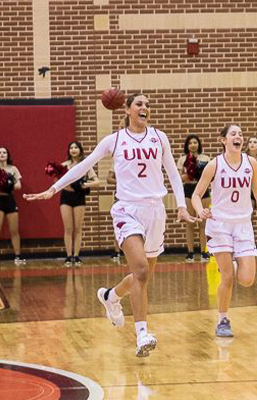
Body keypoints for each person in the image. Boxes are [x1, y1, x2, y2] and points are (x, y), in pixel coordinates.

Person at [25, 93, 197, 357]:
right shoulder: (114, 140)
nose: (145, 108)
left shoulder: (159, 137)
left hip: (155, 210)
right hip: (127, 210)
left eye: (147, 105)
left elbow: (172, 172)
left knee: (144, 276)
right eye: (139, 104)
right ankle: (142, 335)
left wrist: (182, 206)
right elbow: (84, 165)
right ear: (126, 110)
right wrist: (53, 189)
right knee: (140, 270)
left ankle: (111, 297)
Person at [191, 125, 257, 337]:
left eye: (240, 134)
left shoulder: (251, 163)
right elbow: (195, 195)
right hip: (219, 225)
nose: (238, 137)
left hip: (243, 225)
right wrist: (201, 210)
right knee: (227, 277)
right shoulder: (214, 164)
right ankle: (222, 319)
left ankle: (234, 261)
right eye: (233, 134)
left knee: (247, 280)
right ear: (223, 140)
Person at [59, 141, 103, 266]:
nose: (73, 150)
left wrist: (85, 185)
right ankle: (68, 256)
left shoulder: (85, 165)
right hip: (66, 198)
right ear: (68, 151)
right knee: (68, 228)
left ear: (80, 150)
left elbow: (97, 181)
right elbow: (57, 182)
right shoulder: (63, 165)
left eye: (76, 147)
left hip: (79, 197)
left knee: (78, 228)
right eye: (71, 147)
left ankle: (76, 256)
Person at [0, 147, 24, 265]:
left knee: (14, 230)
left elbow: (19, 186)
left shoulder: (13, 169)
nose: (2, 154)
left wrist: (8, 182)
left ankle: (17, 256)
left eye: (4, 152)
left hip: (9, 200)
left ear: (7, 155)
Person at [178, 134, 210, 261]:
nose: (193, 145)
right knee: (190, 222)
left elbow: (209, 176)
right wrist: (190, 173)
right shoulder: (182, 159)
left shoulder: (206, 158)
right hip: (189, 189)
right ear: (187, 145)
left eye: (195, 142)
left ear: (199, 144)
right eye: (190, 143)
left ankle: (204, 251)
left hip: (202, 190)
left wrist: (200, 172)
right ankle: (190, 252)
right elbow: (180, 178)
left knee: (203, 223)